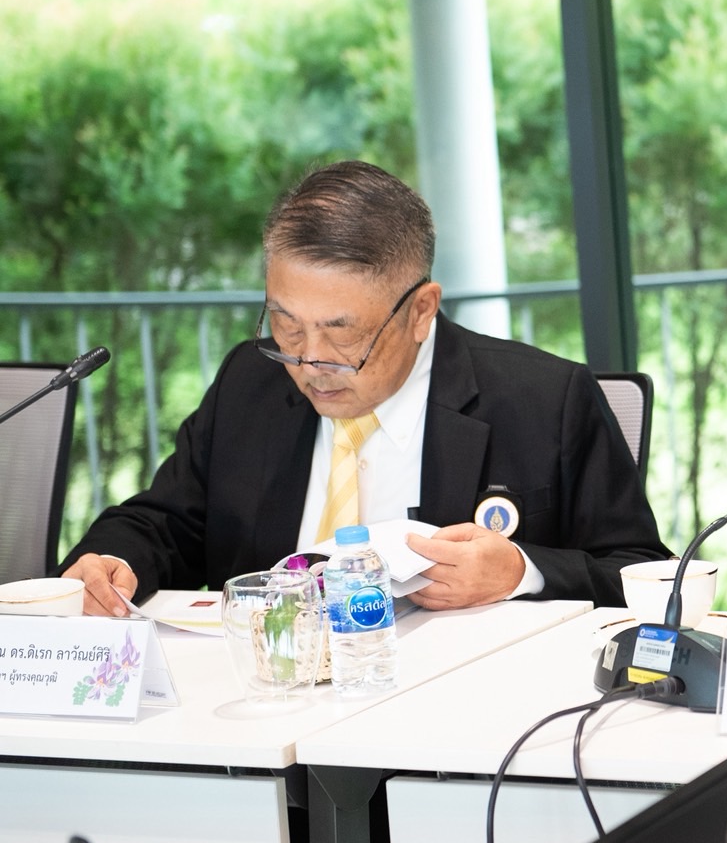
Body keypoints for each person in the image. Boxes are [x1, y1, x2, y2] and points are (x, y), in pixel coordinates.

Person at [61, 160, 669, 617]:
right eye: (285, 323)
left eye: (342, 332)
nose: (309, 360)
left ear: (421, 310)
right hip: (269, 702)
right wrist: (112, 562)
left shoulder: (543, 399)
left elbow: (647, 576)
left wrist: (523, 571)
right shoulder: (251, 381)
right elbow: (164, 523)